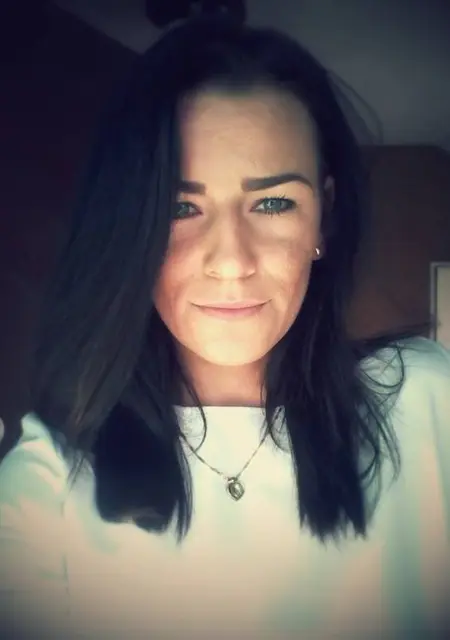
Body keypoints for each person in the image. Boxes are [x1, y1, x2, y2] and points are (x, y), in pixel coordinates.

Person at [0, 12, 449, 640]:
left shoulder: (431, 404)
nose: (232, 261)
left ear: (323, 219)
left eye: (273, 203)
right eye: (180, 207)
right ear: (133, 226)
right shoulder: (47, 482)